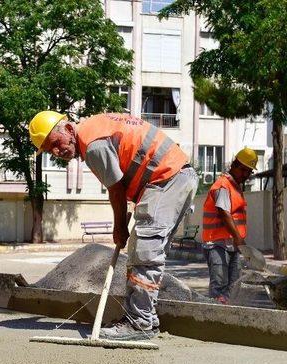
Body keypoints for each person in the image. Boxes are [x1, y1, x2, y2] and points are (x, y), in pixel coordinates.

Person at [29, 111, 198, 341]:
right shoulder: (95, 128)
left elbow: (116, 188)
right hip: (175, 176)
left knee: (144, 252)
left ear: (68, 130)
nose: (58, 153)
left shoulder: (92, 144)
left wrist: (119, 227)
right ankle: (144, 317)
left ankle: (139, 323)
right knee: (148, 253)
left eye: (55, 144)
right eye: (51, 151)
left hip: (166, 178)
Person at [202, 148, 257, 304]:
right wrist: (239, 239)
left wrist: (237, 240)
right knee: (219, 287)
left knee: (234, 287)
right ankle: (215, 320)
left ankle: (228, 317)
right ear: (234, 165)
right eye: (244, 170)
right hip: (217, 244)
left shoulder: (234, 187)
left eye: (249, 172)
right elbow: (224, 213)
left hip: (231, 244)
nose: (246, 175)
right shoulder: (223, 185)